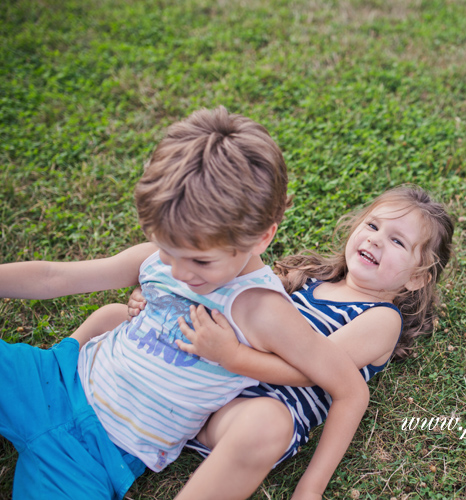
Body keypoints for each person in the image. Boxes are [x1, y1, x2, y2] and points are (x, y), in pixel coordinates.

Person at [0, 106, 369, 500]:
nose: (176, 271)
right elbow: (55, 277)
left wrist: (310, 488)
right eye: (166, 250)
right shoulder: (157, 260)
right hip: (51, 379)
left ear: (261, 237)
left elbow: (349, 388)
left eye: (199, 261)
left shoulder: (261, 310)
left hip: (98, 454)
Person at [115, 185, 455, 500]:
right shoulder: (305, 279)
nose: (377, 240)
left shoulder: (381, 318)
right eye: (372, 226)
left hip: (249, 415)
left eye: (398, 242)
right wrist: (157, 296)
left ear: (416, 277)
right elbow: (227, 295)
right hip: (205, 384)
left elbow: (311, 372)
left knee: (263, 421)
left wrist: (234, 356)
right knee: (111, 317)